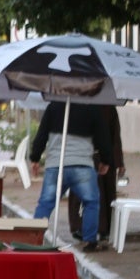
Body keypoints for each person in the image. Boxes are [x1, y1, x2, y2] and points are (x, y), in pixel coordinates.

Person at [30, 101, 112, 252]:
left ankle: (33, 239)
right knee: (91, 202)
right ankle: (90, 241)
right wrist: (105, 160)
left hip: (56, 165)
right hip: (82, 165)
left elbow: (41, 134)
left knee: (45, 204)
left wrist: (35, 158)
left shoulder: (54, 106)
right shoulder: (92, 107)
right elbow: (103, 137)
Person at [68, 105, 125, 242]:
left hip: (102, 157)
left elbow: (115, 135)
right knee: (78, 194)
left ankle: (103, 229)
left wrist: (119, 162)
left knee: (104, 194)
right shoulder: (76, 105)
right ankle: (78, 227)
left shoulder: (108, 107)